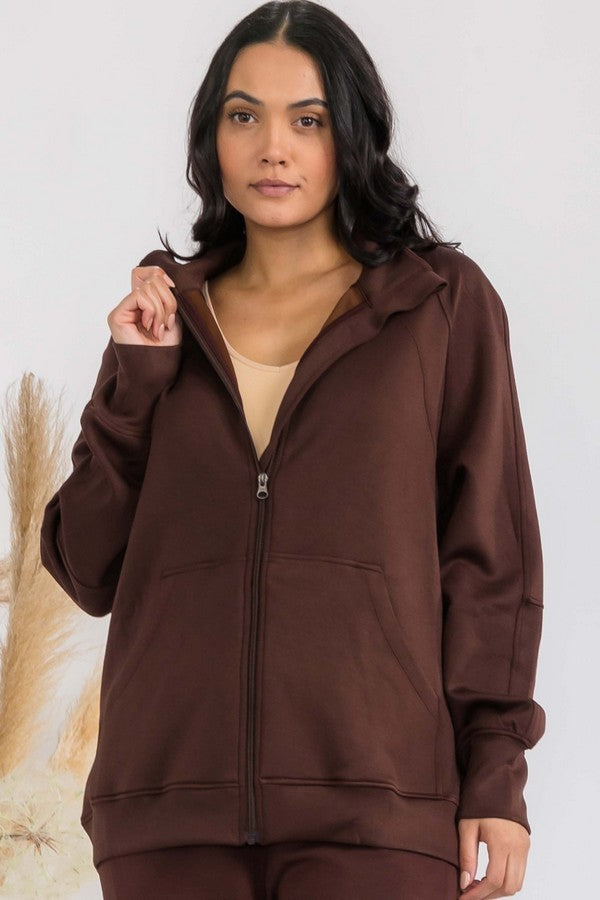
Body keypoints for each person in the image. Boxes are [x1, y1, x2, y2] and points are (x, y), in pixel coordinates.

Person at [39, 2, 546, 898]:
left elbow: (489, 559)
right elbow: (86, 568)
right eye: (245, 116)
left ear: (351, 134)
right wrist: (134, 385)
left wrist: (496, 775)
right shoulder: (166, 315)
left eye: (307, 120)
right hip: (166, 814)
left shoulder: (438, 304)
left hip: (376, 811)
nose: (273, 148)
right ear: (212, 137)